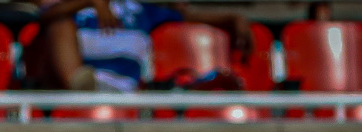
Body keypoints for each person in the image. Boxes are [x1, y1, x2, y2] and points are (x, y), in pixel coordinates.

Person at [25, 0, 255, 92]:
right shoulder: (73, 8)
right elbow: (45, 18)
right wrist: (90, 2)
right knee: (59, 25)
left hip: (122, 88)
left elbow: (190, 17)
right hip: (76, 85)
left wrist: (233, 18)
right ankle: (80, 85)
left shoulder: (142, 10)